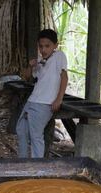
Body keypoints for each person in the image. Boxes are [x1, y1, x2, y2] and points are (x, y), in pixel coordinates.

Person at [16, 29, 68, 158]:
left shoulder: (59, 56)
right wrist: (31, 65)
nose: (43, 49)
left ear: (55, 45)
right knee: (21, 130)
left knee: (36, 136)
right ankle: (22, 163)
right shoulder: (41, 61)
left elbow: (64, 77)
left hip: (44, 103)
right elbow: (26, 77)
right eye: (41, 46)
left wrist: (59, 99)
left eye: (47, 46)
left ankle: (37, 169)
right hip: (32, 101)